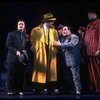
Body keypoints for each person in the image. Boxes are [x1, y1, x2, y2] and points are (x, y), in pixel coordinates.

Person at [30, 13, 58, 94]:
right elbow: (32, 42)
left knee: (51, 72)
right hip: (40, 53)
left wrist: (55, 51)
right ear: (46, 21)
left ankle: (50, 89)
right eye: (51, 21)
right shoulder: (35, 30)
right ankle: (38, 89)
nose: (52, 23)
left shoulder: (54, 31)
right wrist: (36, 50)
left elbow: (57, 42)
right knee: (39, 71)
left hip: (51, 52)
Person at [54, 26, 82, 94]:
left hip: (73, 60)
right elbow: (63, 48)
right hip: (66, 61)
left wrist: (60, 44)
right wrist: (57, 45)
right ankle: (69, 89)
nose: (64, 31)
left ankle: (78, 89)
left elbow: (71, 44)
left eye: (65, 29)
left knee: (76, 76)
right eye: (63, 30)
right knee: (68, 77)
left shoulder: (74, 36)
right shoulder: (64, 39)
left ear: (69, 30)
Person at [6, 20, 29, 95]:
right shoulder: (11, 34)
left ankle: (19, 90)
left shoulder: (26, 35)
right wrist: (16, 51)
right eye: (19, 24)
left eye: (22, 24)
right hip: (12, 57)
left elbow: (26, 46)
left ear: (24, 26)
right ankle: (9, 90)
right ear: (17, 25)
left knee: (21, 75)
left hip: (21, 58)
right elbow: (8, 45)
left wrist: (25, 51)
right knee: (10, 74)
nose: (21, 25)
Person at [84, 11, 100, 94]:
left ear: (95, 14)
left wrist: (99, 49)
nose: (89, 16)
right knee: (90, 70)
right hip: (88, 50)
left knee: (97, 69)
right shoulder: (89, 25)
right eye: (88, 14)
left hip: (95, 50)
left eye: (90, 14)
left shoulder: (98, 23)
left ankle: (98, 87)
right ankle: (92, 86)